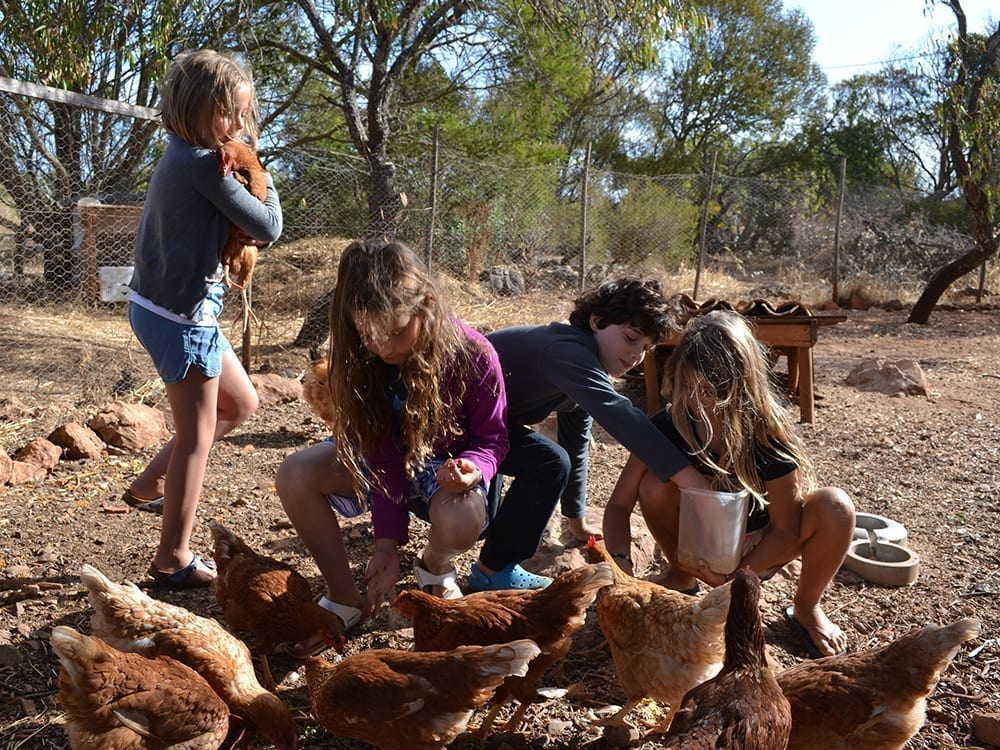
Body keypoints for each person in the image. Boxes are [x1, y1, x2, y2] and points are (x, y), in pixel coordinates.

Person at [276, 239, 508, 652]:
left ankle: (434, 568)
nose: (382, 346)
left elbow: (492, 438)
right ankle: (344, 598)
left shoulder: (474, 354)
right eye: (367, 334)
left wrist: (474, 467)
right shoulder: (363, 361)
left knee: (461, 519)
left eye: (396, 332)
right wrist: (386, 544)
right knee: (295, 473)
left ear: (428, 305)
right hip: (388, 463)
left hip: (445, 466)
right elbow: (382, 456)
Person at [602, 309, 855, 657]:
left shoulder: (765, 435)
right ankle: (681, 575)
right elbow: (619, 505)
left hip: (761, 544)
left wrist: (736, 575)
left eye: (709, 390)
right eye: (688, 386)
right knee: (653, 485)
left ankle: (807, 607)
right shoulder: (669, 424)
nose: (696, 400)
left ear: (740, 385)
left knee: (835, 506)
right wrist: (621, 563)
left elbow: (785, 527)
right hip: (697, 545)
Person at [123, 49, 283, 588]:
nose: (238, 126)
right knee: (197, 435)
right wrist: (261, 170)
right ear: (194, 109)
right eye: (227, 114)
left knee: (240, 404)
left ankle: (148, 485)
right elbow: (265, 226)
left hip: (165, 309)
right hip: (181, 319)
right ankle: (172, 558)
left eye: (243, 114)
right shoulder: (202, 165)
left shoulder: (183, 153)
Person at [469, 277, 711, 593]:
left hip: (481, 426)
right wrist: (695, 483)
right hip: (448, 421)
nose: (637, 355)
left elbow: (576, 444)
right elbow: (621, 415)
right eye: (630, 338)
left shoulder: (582, 370)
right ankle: (493, 571)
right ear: (596, 321)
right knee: (549, 463)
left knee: (552, 463)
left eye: (646, 347)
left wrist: (576, 520)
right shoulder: (566, 351)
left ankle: (492, 561)